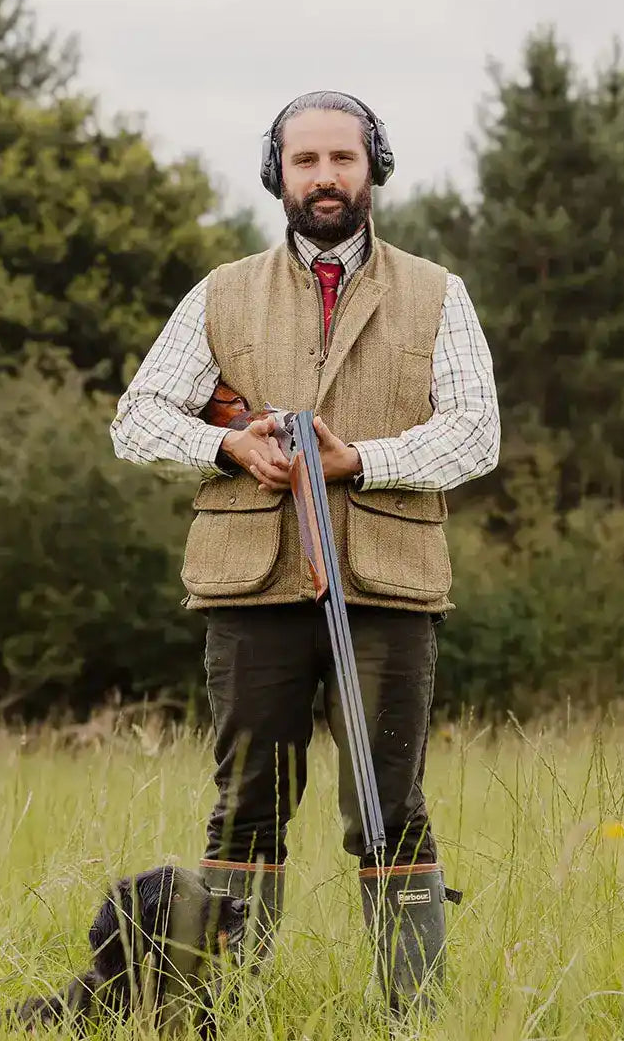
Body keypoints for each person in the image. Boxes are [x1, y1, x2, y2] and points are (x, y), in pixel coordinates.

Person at [110, 90, 500, 1015]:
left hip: (387, 584)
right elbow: (136, 419)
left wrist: (360, 459)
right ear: (277, 174)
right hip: (252, 585)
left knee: (388, 808)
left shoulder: (440, 293)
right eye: (306, 161)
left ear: (374, 168)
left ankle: (414, 1021)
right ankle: (219, 1014)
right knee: (246, 804)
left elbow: (477, 434)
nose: (325, 177)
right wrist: (231, 445)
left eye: (342, 159)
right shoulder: (221, 292)